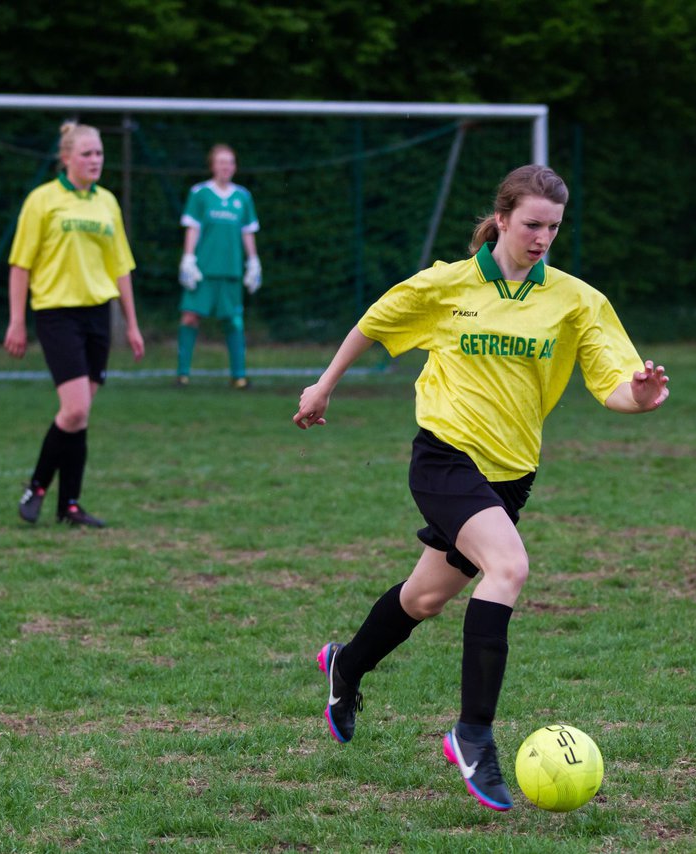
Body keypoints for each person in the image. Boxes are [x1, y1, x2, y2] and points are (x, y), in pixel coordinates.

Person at [293, 164, 669, 811]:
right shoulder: (449, 285)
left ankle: (346, 666)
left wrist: (640, 396)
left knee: (423, 598)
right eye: (531, 224)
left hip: (511, 475)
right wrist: (324, 384)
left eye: (553, 226)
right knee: (509, 566)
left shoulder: (576, 301)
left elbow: (613, 383)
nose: (542, 237)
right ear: (501, 219)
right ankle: (472, 733)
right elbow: (375, 323)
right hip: (444, 459)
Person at [5, 121, 145, 528]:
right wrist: (17, 321)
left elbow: (121, 268)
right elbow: (20, 264)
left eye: (99, 153)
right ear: (65, 158)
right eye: (86, 153)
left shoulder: (107, 203)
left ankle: (70, 506)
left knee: (79, 416)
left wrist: (132, 324)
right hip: (56, 313)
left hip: (97, 314)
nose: (95, 160)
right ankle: (37, 486)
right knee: (76, 408)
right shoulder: (42, 200)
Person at [176, 144, 262, 388]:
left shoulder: (243, 197)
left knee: (234, 320)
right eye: (221, 162)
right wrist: (188, 258)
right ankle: (182, 374)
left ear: (235, 166)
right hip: (203, 270)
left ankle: (239, 376)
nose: (226, 167)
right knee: (190, 317)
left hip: (231, 270)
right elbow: (193, 227)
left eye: (230, 162)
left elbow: (247, 232)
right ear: (212, 165)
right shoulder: (200, 193)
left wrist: (253, 261)